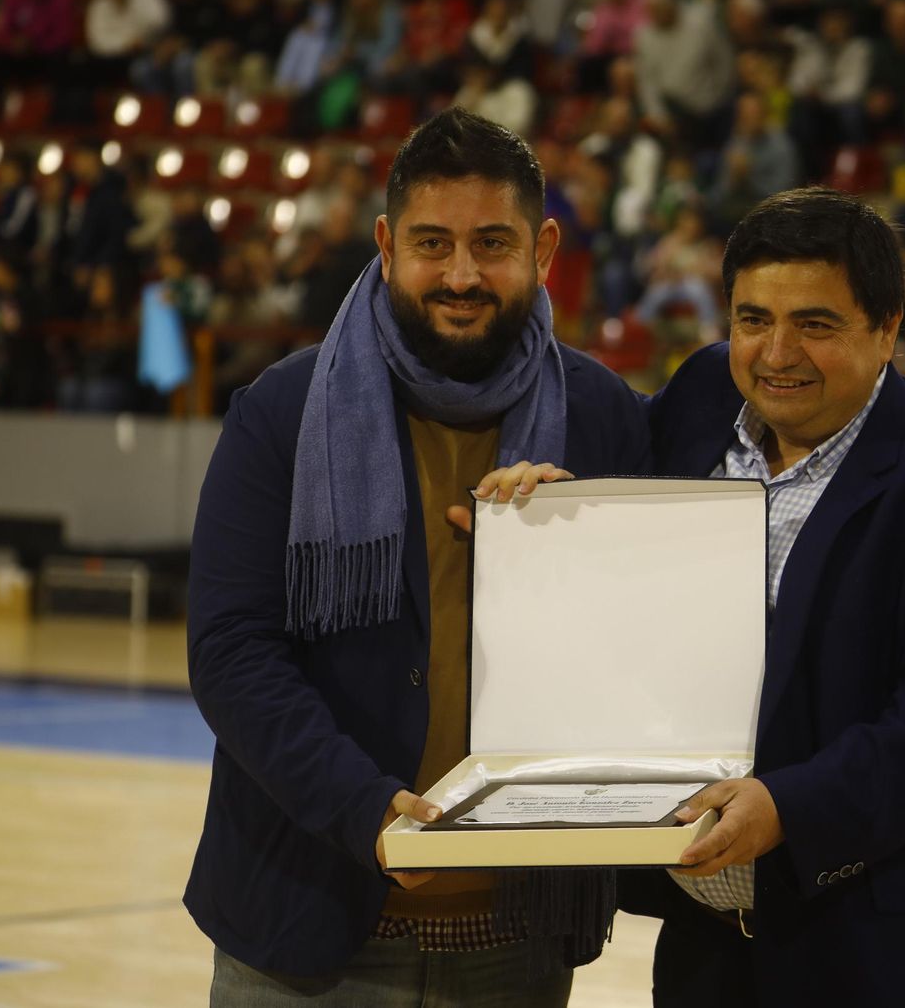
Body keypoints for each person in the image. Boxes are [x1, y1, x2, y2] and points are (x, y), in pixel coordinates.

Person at [489, 186, 905, 1006]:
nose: (776, 352)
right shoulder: (703, 400)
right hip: (712, 951)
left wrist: (791, 805)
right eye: (753, 320)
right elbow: (633, 557)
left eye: (816, 324)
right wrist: (556, 507)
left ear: (888, 328)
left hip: (892, 950)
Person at [184, 107, 648, 1005]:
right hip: (304, 931)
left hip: (519, 941)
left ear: (544, 249)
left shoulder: (604, 418)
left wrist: (568, 566)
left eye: (493, 244)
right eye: (434, 243)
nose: (463, 275)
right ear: (388, 244)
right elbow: (232, 654)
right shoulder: (280, 413)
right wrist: (362, 811)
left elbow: (642, 661)